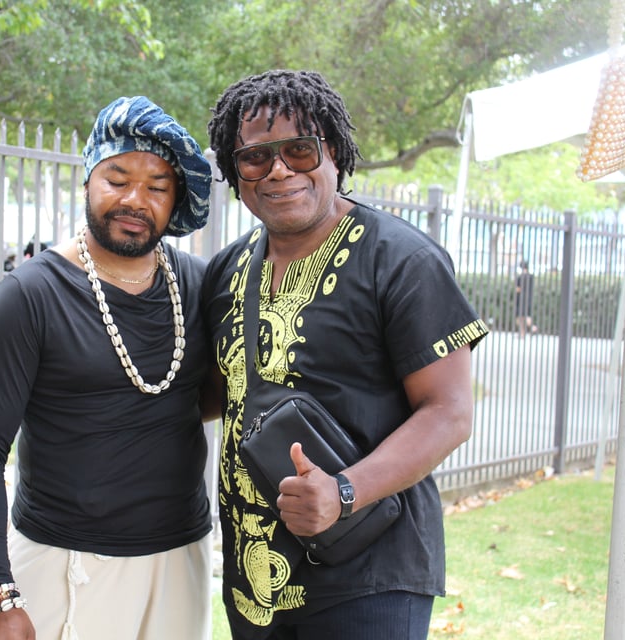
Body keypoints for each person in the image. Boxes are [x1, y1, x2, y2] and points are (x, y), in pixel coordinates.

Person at [202, 69, 490, 639]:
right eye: (255, 157)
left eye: (299, 150)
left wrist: (344, 491)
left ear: (332, 151)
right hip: (256, 581)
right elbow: (214, 395)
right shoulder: (226, 271)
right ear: (236, 174)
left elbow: (449, 412)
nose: (279, 170)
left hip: (370, 575)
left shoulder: (400, 260)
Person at [0, 95, 216, 640]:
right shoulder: (30, 296)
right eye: (116, 179)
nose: (134, 200)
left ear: (175, 202)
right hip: (63, 561)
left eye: (157, 187)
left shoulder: (198, 286)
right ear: (87, 181)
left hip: (182, 557)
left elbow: (208, 395)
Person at [515, 259, 538, 337]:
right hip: (529, 299)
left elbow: (518, 289)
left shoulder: (520, 277)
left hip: (521, 299)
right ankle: (523, 333)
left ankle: (532, 328)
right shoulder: (531, 277)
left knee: (519, 317)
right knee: (526, 315)